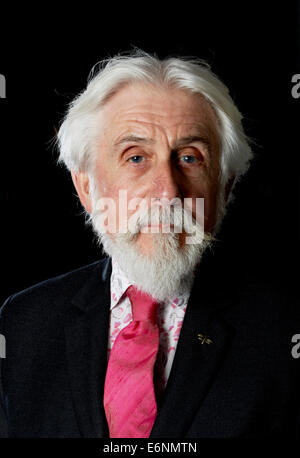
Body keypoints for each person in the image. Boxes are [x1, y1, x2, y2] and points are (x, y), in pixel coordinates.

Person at [0, 50, 299, 438]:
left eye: (190, 158)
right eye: (137, 157)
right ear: (87, 187)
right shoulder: (22, 324)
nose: (168, 192)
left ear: (224, 189)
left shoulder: (285, 331)